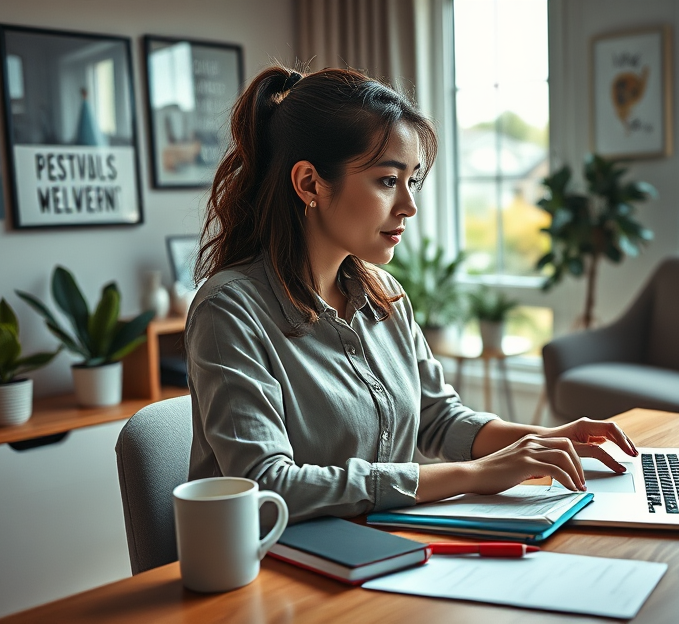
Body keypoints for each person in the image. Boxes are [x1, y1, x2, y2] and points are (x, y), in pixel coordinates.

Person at [186, 65, 638, 523]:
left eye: (412, 180)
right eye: (387, 180)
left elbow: (438, 418)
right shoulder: (229, 311)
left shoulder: (384, 296)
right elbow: (267, 486)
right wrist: (471, 475)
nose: (409, 206)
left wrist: (545, 441)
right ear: (310, 184)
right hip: (282, 571)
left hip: (385, 546)